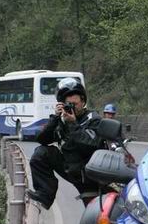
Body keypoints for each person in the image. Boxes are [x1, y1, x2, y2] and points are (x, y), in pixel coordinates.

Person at [26, 78, 104, 209]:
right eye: (69, 104)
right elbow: (42, 139)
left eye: (76, 103)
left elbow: (90, 145)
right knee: (41, 153)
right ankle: (44, 196)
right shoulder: (62, 121)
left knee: (95, 216)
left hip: (87, 173)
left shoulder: (93, 119)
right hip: (70, 168)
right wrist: (55, 118)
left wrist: (73, 124)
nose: (72, 107)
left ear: (83, 101)